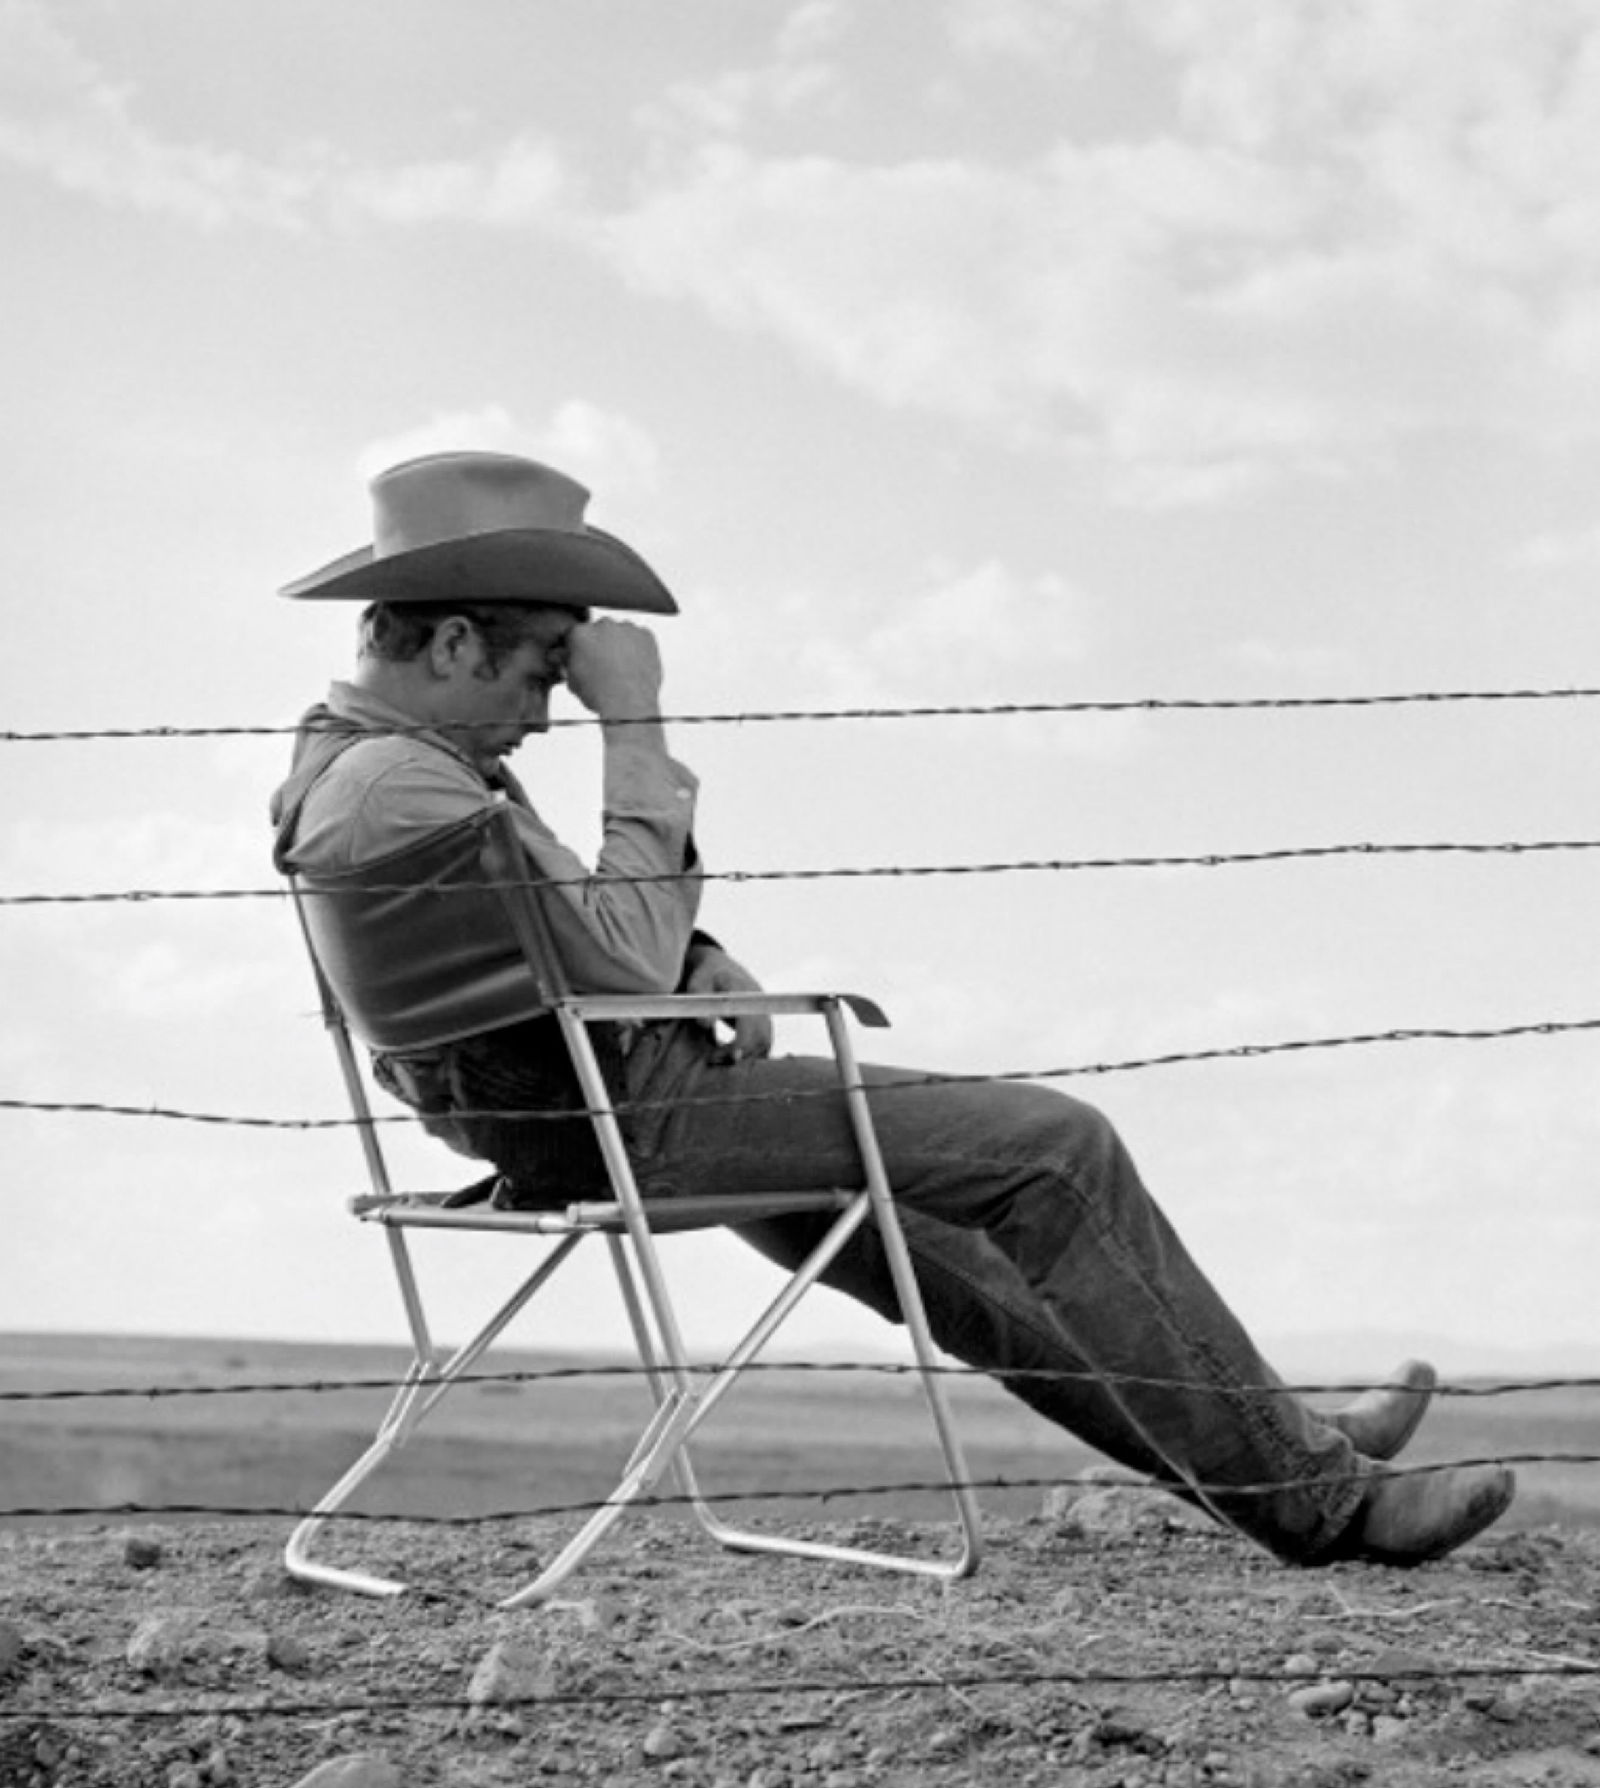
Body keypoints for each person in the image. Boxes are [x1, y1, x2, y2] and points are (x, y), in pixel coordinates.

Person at [271, 449, 1514, 1568]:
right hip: (625, 1119)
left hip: (577, 1112)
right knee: (1051, 1149)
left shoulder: (373, 773)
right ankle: (1317, 1499)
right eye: (544, 666)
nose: (552, 708)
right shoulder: (402, 788)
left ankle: (1278, 1449)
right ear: (449, 648)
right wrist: (638, 727)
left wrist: (696, 956)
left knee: (959, 1261)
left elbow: (557, 943)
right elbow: (610, 958)